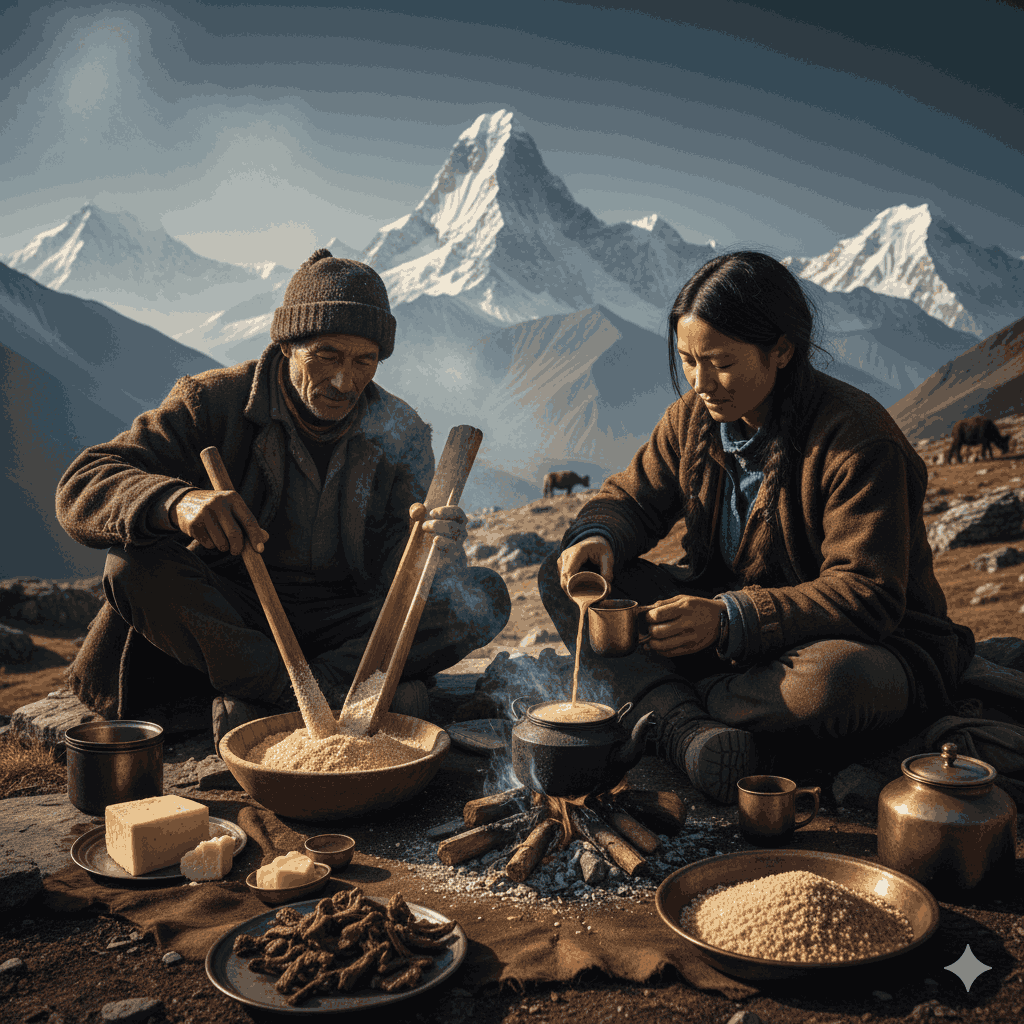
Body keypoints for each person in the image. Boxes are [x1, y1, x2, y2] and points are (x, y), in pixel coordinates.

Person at [538, 251, 975, 803]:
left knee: (829, 684)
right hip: (727, 634)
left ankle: (665, 707)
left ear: (783, 351)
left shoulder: (858, 442)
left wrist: (728, 619)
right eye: (688, 360)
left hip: (863, 647)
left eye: (720, 362)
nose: (701, 382)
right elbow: (632, 499)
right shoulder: (693, 420)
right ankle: (692, 730)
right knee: (566, 578)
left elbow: (868, 595)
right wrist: (599, 536)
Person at [57, 249, 510, 744]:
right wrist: (175, 503)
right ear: (288, 344)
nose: (345, 381)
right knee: (130, 567)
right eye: (328, 356)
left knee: (483, 596)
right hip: (236, 621)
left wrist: (433, 549)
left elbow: (413, 576)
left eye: (365, 361)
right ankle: (317, 698)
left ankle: (281, 701)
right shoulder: (210, 402)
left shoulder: (399, 430)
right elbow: (84, 481)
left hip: (345, 624)